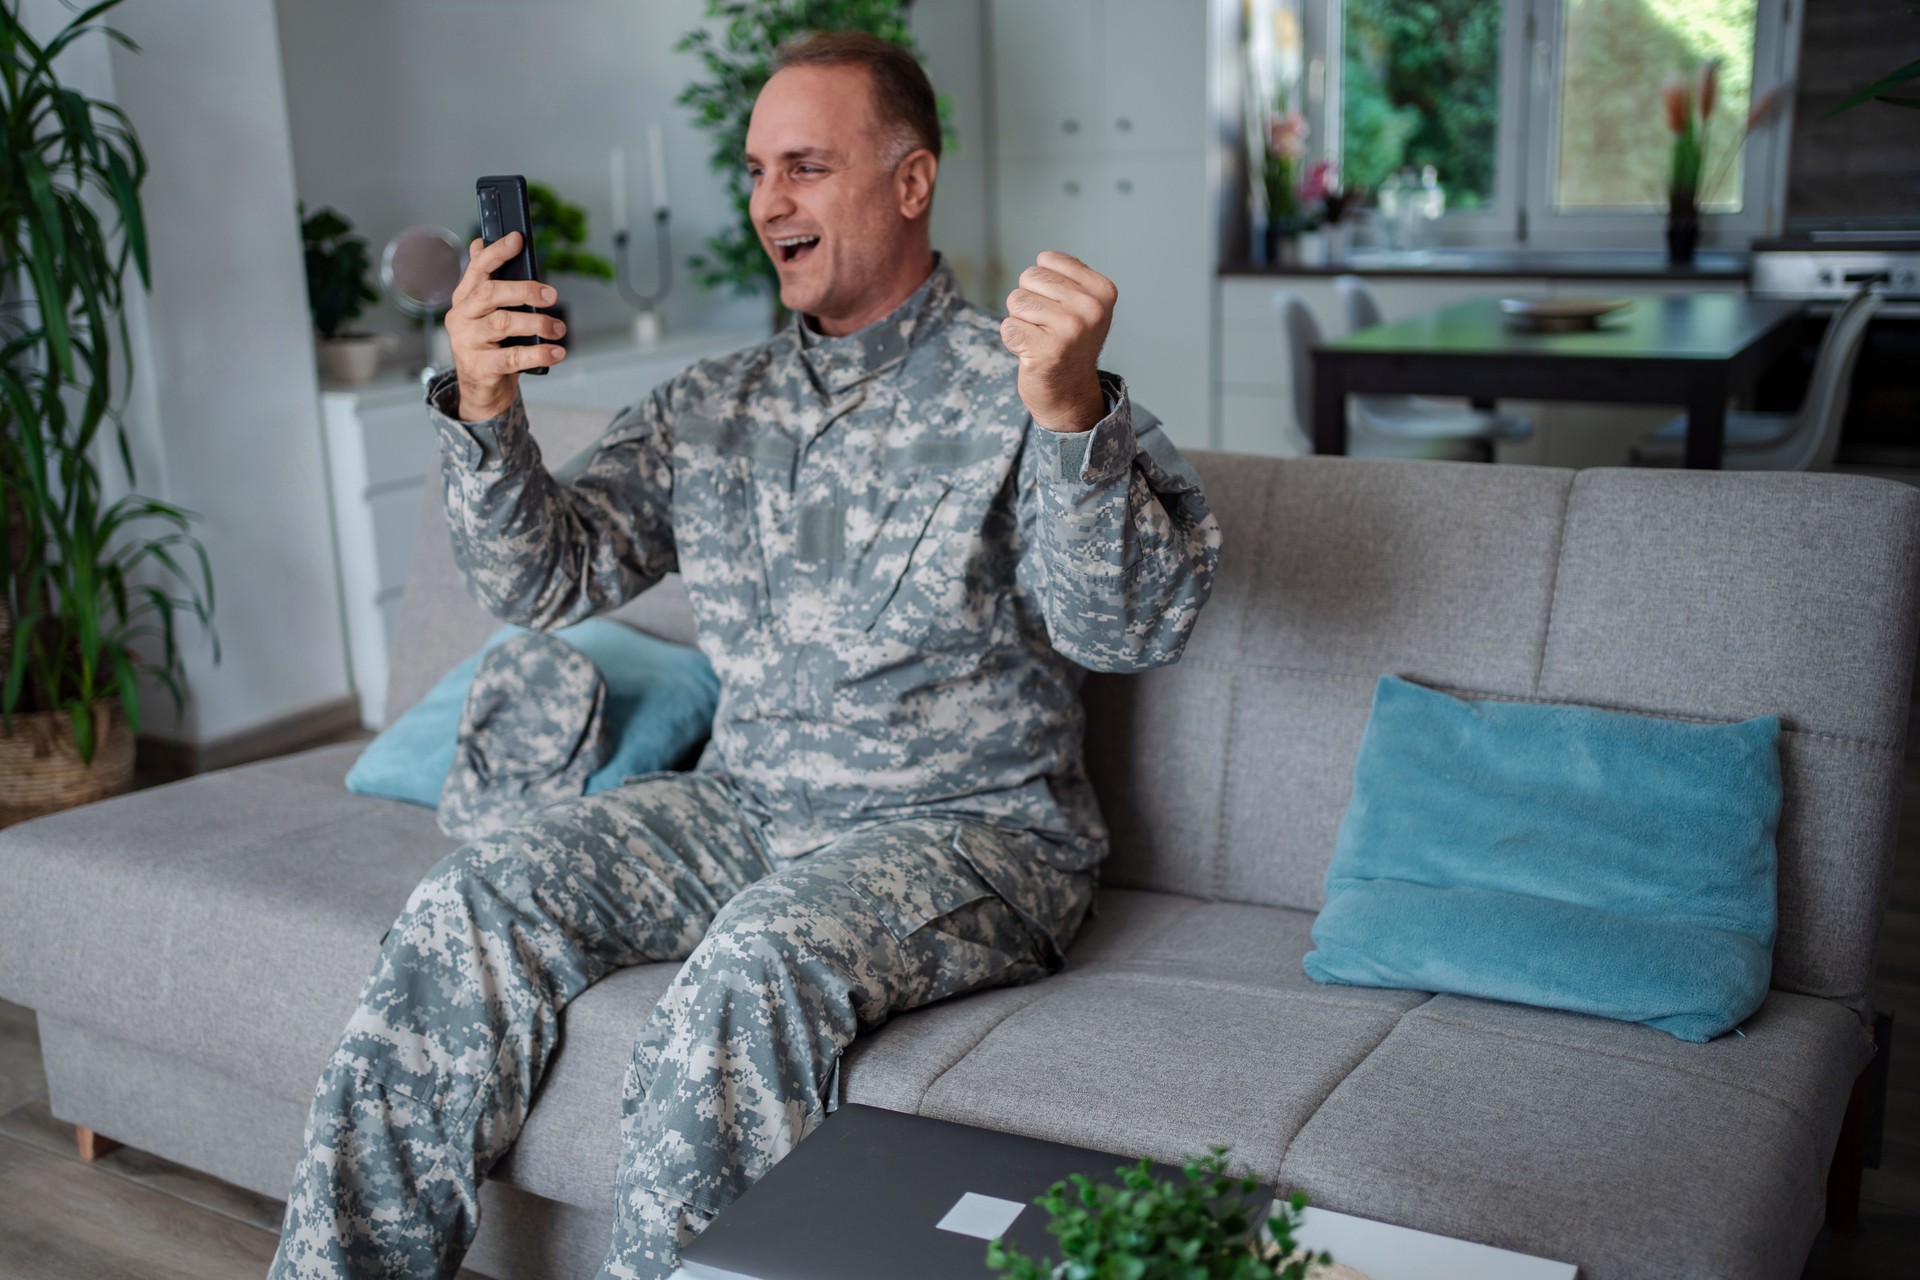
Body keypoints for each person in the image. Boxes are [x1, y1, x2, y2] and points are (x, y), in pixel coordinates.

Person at [269, 30, 1220, 1280]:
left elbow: (1129, 629)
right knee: (475, 890)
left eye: (808, 165)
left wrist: (1073, 415)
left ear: (911, 181)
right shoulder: (706, 403)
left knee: (757, 958)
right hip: (747, 809)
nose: (770, 198)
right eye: (759, 167)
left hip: (973, 832)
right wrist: (486, 416)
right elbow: (541, 579)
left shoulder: (1029, 381)